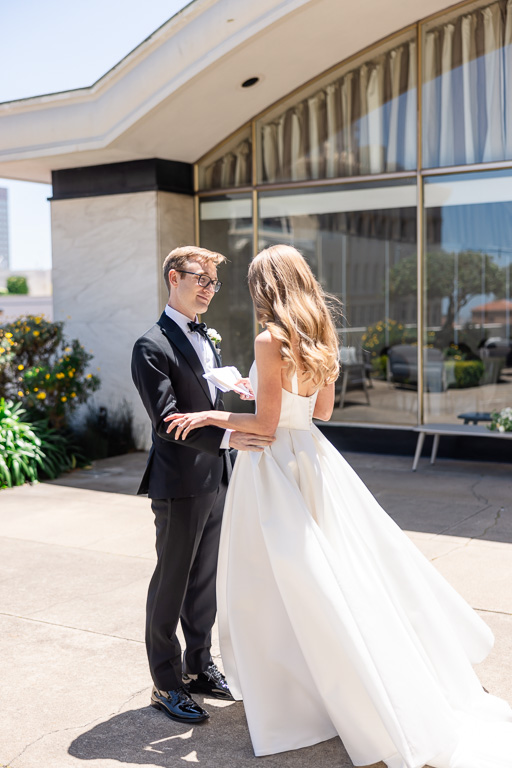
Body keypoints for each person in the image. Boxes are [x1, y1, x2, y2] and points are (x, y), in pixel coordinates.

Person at [166, 244, 512, 768]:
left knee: (274, 583)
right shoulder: (319, 335)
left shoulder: (268, 338)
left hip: (275, 467)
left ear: (266, 287)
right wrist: (263, 393)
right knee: (332, 577)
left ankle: (298, 697)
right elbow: (320, 411)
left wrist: (213, 417)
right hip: (315, 460)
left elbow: (262, 426)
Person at [131, 245, 274, 726]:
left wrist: (236, 393)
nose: (209, 289)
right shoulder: (150, 346)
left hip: (216, 477)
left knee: (203, 583)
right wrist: (234, 435)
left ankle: (197, 666)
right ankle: (166, 683)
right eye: (201, 279)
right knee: (170, 582)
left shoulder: (206, 336)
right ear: (175, 277)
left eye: (214, 282)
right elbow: (169, 421)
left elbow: (205, 394)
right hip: (178, 481)